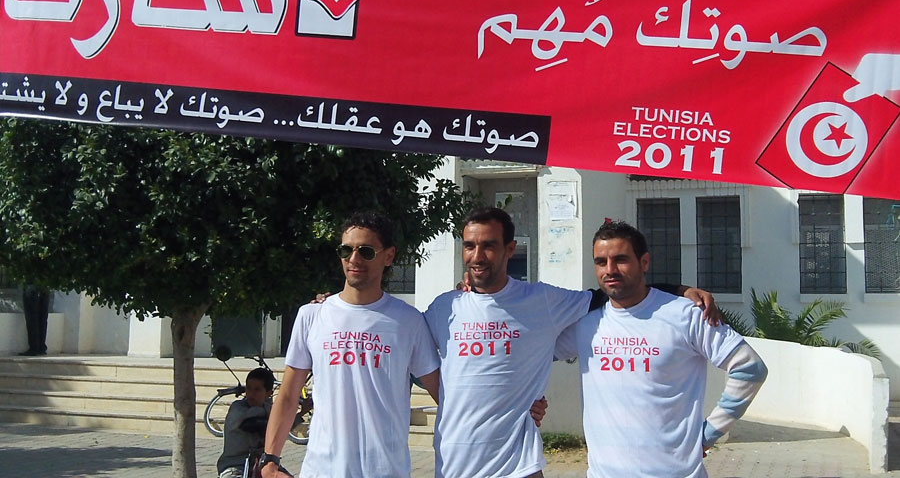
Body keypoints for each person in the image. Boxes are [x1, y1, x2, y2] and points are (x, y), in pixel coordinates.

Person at [424, 207, 719, 478]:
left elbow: (611, 291)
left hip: (516, 466)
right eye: (469, 246)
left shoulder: (542, 301)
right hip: (451, 464)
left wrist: (679, 290)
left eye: (489, 245)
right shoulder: (443, 308)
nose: (477, 256)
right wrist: (457, 407)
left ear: (510, 249)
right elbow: (416, 359)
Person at [554, 220, 768, 478]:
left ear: (644, 262)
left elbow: (749, 368)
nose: (610, 270)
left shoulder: (686, 314)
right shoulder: (586, 322)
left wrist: (710, 433)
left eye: (621, 259)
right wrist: (529, 401)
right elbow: (529, 355)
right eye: (601, 262)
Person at [261, 211, 441, 478]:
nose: (354, 259)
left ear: (388, 256)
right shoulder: (312, 315)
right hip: (322, 470)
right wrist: (270, 460)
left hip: (385, 471)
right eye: (346, 250)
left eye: (366, 251)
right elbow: (287, 396)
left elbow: (446, 396)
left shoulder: (409, 321)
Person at [217, 367, 276, 478]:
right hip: (234, 467)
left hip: (261, 466)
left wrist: (301, 414)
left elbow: (282, 427)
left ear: (268, 393)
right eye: (249, 388)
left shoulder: (269, 410)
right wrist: (269, 412)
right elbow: (251, 414)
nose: (251, 394)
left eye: (257, 390)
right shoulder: (237, 408)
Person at [20, 282, 50, 356]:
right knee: (42, 319)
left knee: (32, 319)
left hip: (31, 285)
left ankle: (34, 348)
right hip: (45, 285)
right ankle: (41, 347)